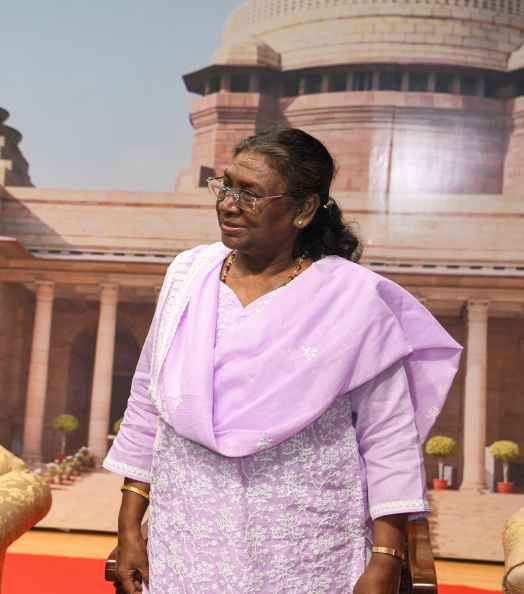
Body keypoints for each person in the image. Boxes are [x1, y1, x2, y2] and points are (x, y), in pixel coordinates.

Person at [105, 127, 463, 594]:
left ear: (304, 209)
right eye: (226, 185)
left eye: (250, 194)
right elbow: (149, 402)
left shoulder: (353, 298)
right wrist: (130, 527)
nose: (228, 204)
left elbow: (388, 435)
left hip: (308, 547)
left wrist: (386, 557)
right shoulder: (188, 275)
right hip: (189, 538)